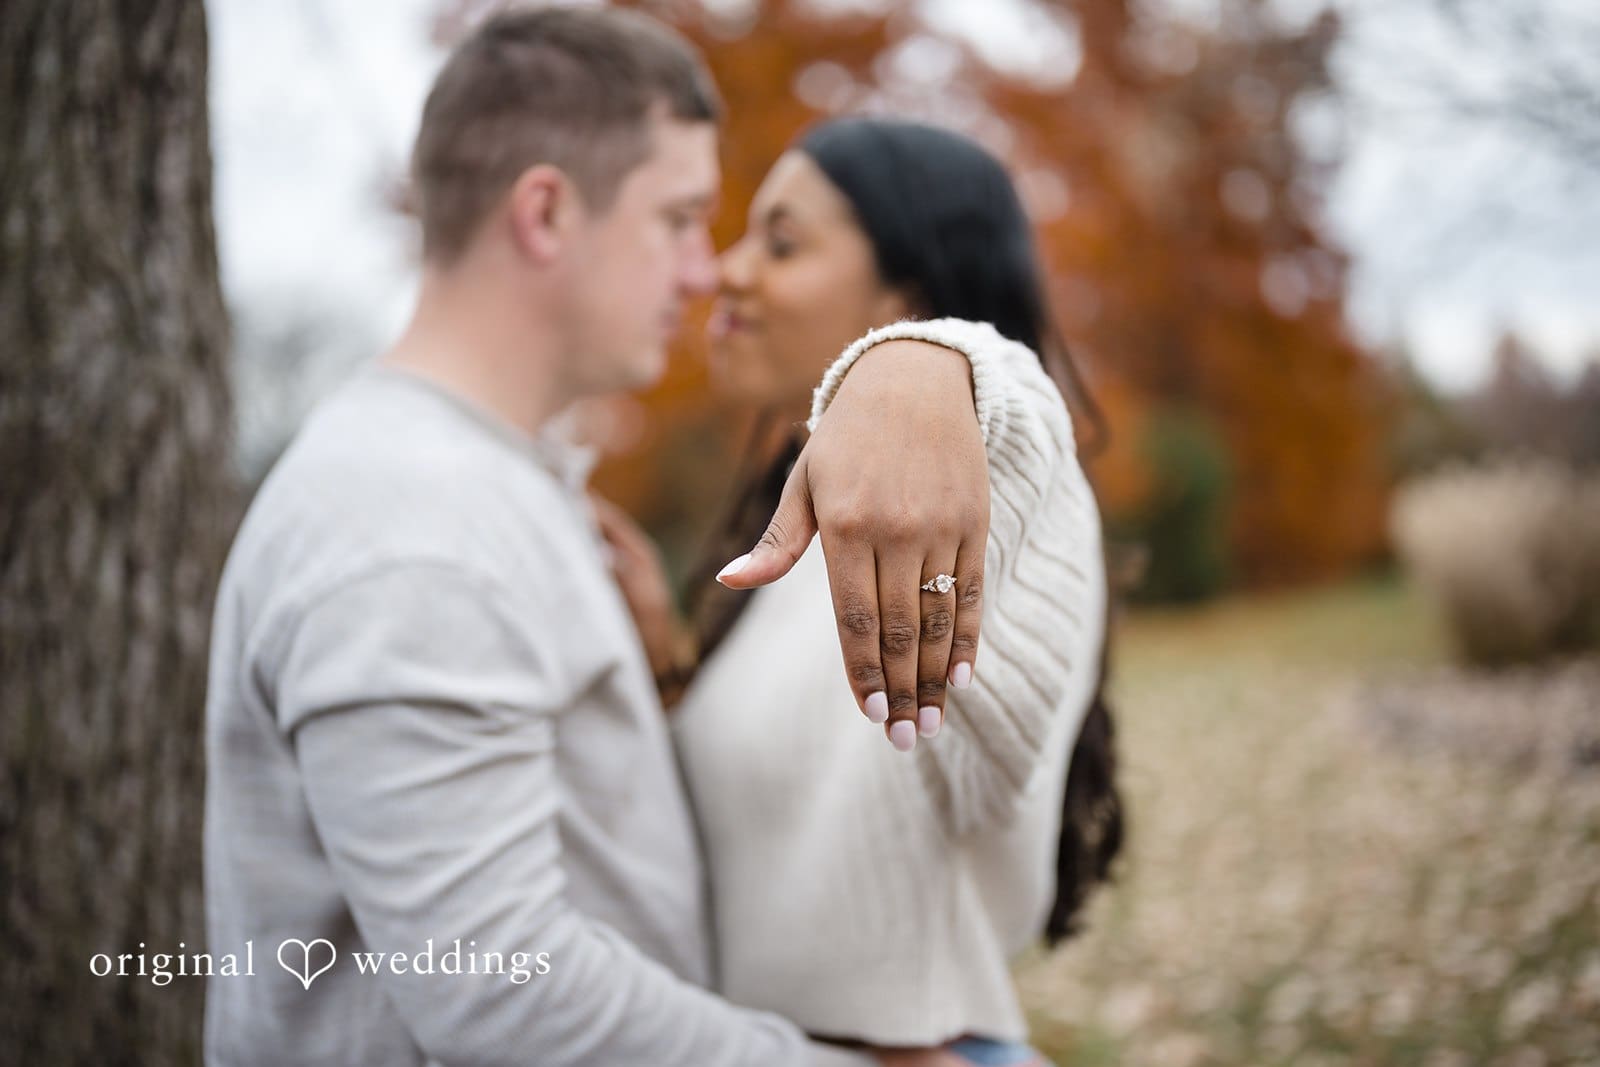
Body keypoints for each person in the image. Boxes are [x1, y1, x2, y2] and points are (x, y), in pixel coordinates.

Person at [203, 10, 997, 1066]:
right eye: (677, 219)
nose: (701, 272)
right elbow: (502, 991)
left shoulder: (478, 480)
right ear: (544, 212)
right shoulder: (409, 526)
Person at [597, 118, 1124, 1062]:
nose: (726, 269)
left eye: (783, 241)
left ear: (908, 290)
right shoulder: (815, 539)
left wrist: (926, 362)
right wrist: (671, 672)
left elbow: (1018, 418)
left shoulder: (998, 488)